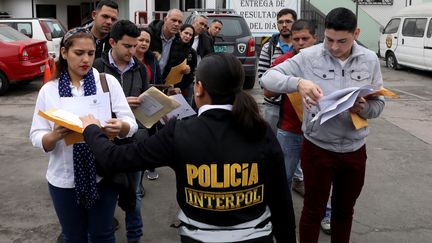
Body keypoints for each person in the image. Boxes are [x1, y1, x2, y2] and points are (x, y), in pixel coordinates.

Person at [80, 53, 297, 243]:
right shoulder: (261, 129)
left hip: (198, 238)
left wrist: (92, 129)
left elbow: (115, 158)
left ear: (199, 88)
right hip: (257, 237)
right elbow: (281, 199)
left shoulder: (179, 132)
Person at [261, 7, 385, 243]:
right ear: (323, 34)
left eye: (342, 41)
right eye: (329, 39)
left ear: (356, 33)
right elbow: (268, 78)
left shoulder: (369, 60)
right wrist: (298, 83)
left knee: (344, 211)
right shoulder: (309, 56)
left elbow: (378, 104)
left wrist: (364, 108)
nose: (335, 47)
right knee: (312, 210)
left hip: (354, 150)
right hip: (317, 148)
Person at [29, 27, 137, 242]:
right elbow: (36, 134)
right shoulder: (49, 90)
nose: (86, 59)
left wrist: (121, 127)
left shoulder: (107, 83)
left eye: (91, 53)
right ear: (63, 53)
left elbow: (130, 123)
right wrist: (54, 135)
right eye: (79, 53)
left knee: (103, 233)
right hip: (64, 178)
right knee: (73, 235)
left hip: (103, 174)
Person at [271, 19, 332, 235]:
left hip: (319, 130)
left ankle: (326, 213)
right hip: (289, 129)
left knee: (320, 177)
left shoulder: (327, 62)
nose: (300, 43)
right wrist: (293, 81)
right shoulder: (284, 62)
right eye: (296, 39)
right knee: (284, 176)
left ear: (315, 38)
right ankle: (282, 217)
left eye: (305, 38)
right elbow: (268, 91)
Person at [93, 20, 148, 243]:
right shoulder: (96, 67)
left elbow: (146, 97)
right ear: (113, 42)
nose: (132, 51)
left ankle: (135, 237)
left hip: (132, 141)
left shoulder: (140, 67)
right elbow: (88, 103)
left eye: (135, 46)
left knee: (133, 194)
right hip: (104, 142)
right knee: (103, 193)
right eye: (127, 46)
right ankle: (105, 232)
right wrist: (120, 104)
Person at [258, 8, 297, 132]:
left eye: (288, 21)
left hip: (297, 108)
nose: (284, 25)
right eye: (280, 22)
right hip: (273, 107)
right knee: (273, 145)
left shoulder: (301, 47)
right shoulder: (268, 47)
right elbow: (262, 79)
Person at [135, 26, 163, 180]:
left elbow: (158, 81)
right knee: (137, 137)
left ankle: (150, 166)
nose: (144, 43)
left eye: (147, 41)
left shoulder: (152, 59)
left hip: (149, 103)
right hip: (133, 104)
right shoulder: (128, 58)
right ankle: (137, 174)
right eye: (141, 40)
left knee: (152, 135)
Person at [147, 9, 184, 78]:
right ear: (165, 19)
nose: (176, 24)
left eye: (180, 22)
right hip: (146, 80)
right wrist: (151, 54)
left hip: (163, 83)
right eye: (173, 20)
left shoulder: (179, 41)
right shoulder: (150, 34)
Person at [174, 24, 197, 103]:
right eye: (186, 33)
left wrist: (189, 71)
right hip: (171, 85)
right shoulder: (172, 47)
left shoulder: (192, 52)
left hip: (186, 86)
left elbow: (193, 71)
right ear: (180, 32)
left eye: (190, 35)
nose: (188, 36)